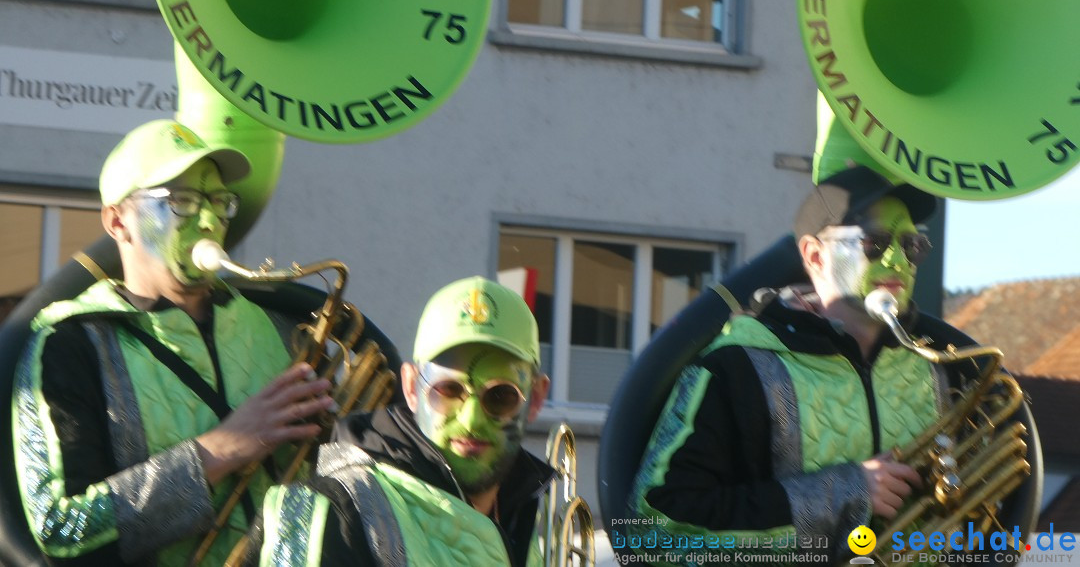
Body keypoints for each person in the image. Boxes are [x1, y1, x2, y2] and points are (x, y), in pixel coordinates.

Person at [11, 119, 334, 566]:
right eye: (181, 201)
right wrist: (220, 451)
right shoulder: (71, 343)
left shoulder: (273, 326)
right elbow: (62, 530)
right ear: (118, 221)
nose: (210, 220)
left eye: (219, 201)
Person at [624, 165, 943, 564]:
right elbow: (657, 530)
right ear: (814, 255)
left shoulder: (936, 367)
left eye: (912, 245)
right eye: (874, 242)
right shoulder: (738, 367)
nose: (898, 261)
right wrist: (844, 493)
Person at [248, 276, 554, 567]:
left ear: (536, 398)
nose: (471, 419)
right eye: (447, 390)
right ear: (410, 388)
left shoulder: (524, 523)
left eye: (500, 396)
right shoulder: (328, 513)